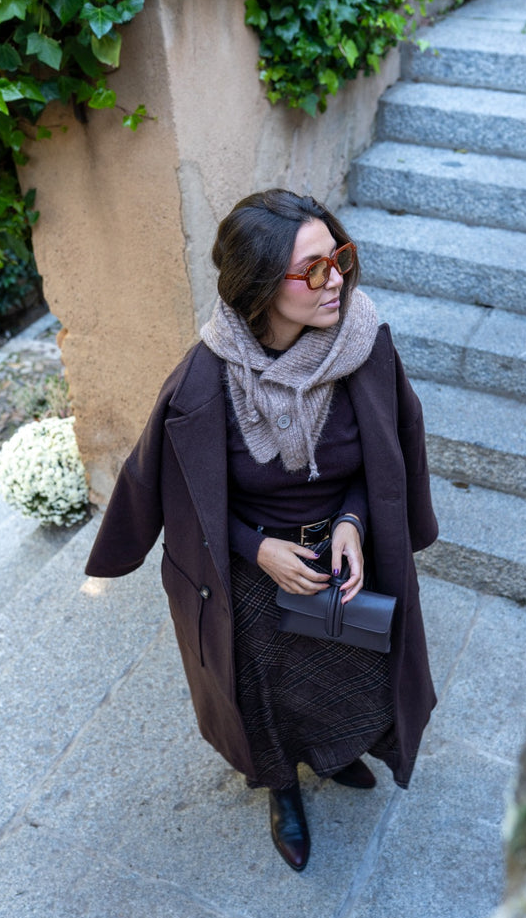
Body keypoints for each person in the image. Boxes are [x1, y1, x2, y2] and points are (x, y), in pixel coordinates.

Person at [85, 189, 438, 872]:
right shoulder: (204, 380)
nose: (336, 281)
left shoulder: (365, 344)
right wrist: (258, 548)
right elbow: (185, 496)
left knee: (356, 672)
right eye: (313, 270)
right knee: (264, 697)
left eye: (339, 257)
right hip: (248, 574)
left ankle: (335, 753)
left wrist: (352, 521)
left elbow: (386, 453)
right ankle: (282, 789)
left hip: (340, 559)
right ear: (260, 285)